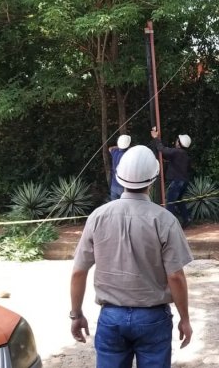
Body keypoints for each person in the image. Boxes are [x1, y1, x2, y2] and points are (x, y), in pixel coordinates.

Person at [70, 145, 193, 367]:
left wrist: (76, 314)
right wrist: (185, 319)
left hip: (111, 317)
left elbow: (79, 271)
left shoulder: (98, 217)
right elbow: (176, 276)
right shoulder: (164, 220)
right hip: (153, 318)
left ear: (120, 177)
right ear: (153, 180)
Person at [151, 129, 192, 228]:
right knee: (179, 201)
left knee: (170, 203)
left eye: (177, 140)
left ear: (179, 143)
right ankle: (187, 218)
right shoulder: (185, 154)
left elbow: (162, 149)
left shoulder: (177, 152)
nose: (176, 141)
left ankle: (169, 226)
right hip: (184, 181)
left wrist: (156, 138)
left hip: (177, 182)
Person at [108, 134, 131, 201]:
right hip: (124, 187)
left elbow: (110, 148)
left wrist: (118, 147)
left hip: (114, 186)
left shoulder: (114, 152)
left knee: (115, 209)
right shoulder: (128, 155)